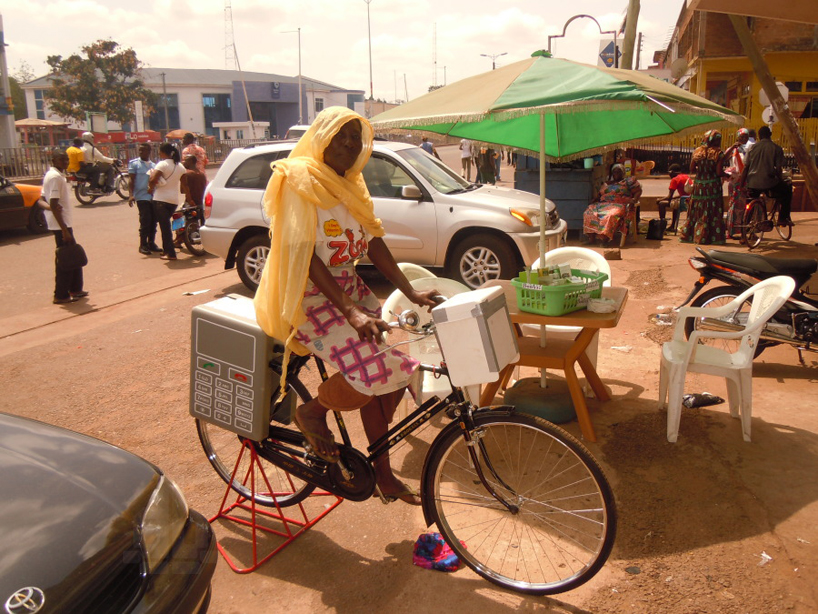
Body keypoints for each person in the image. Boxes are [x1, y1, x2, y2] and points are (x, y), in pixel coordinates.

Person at [253, 106, 440, 505]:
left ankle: (383, 475)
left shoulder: (350, 184)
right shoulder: (298, 179)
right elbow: (305, 254)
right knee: (372, 376)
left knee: (396, 371)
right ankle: (313, 412)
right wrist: (350, 312)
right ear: (322, 137)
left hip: (346, 286)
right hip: (307, 292)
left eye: (357, 137)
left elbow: (373, 242)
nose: (351, 144)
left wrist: (411, 291)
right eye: (342, 135)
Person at [43, 151, 88, 304]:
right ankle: (61, 295)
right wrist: (64, 231)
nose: (65, 162)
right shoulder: (55, 177)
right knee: (66, 260)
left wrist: (50, 208)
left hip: (63, 223)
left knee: (73, 256)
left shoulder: (55, 175)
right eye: (61, 159)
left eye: (66, 159)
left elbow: (42, 200)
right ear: (53, 160)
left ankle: (75, 288)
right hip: (60, 225)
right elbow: (53, 203)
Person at [679, 130, 727, 245]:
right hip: (713, 187)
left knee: (697, 210)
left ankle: (691, 235)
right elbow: (719, 172)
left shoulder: (697, 152)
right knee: (711, 210)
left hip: (699, 185)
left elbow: (691, 168)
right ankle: (710, 237)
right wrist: (728, 175)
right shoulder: (718, 153)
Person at [741, 125, 793, 226]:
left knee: (749, 204)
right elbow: (778, 169)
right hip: (769, 182)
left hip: (752, 183)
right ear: (770, 135)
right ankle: (782, 218)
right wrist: (781, 180)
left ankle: (744, 230)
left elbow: (746, 167)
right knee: (787, 191)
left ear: (759, 136)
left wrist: (742, 184)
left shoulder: (751, 148)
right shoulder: (776, 148)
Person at [582, 163, 642, 244]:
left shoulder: (627, 182)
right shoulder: (607, 183)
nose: (616, 174)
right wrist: (595, 199)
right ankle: (591, 238)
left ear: (623, 173)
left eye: (619, 172)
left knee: (609, 215)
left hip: (619, 204)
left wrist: (634, 199)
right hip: (603, 204)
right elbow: (600, 194)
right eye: (614, 172)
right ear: (612, 173)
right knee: (589, 213)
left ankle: (605, 239)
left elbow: (638, 191)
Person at [148, 143, 184, 260]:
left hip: (160, 199)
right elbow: (185, 184)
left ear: (163, 152)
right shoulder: (180, 166)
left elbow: (153, 179)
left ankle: (171, 253)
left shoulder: (162, 164)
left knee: (165, 227)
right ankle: (166, 250)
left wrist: (150, 187)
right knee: (166, 225)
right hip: (173, 200)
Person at [128, 143, 160, 255]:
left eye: (144, 151)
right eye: (140, 150)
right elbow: (131, 180)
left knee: (154, 220)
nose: (141, 152)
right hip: (141, 196)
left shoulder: (154, 165)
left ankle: (151, 243)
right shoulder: (134, 164)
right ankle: (143, 244)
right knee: (145, 220)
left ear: (149, 152)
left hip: (153, 196)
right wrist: (131, 195)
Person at [723, 128, 751, 238]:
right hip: (735, 182)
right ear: (738, 137)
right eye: (742, 136)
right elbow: (724, 158)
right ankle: (731, 231)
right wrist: (733, 147)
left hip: (745, 181)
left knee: (744, 206)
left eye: (746, 137)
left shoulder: (749, 148)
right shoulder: (733, 149)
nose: (744, 139)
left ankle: (743, 230)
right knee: (733, 205)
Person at [656, 164, 690, 232]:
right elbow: (686, 194)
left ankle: (662, 226)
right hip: (689, 201)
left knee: (661, 204)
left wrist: (659, 199)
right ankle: (672, 226)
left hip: (683, 203)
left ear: (672, 172)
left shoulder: (675, 179)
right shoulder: (686, 177)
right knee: (675, 202)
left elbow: (669, 197)